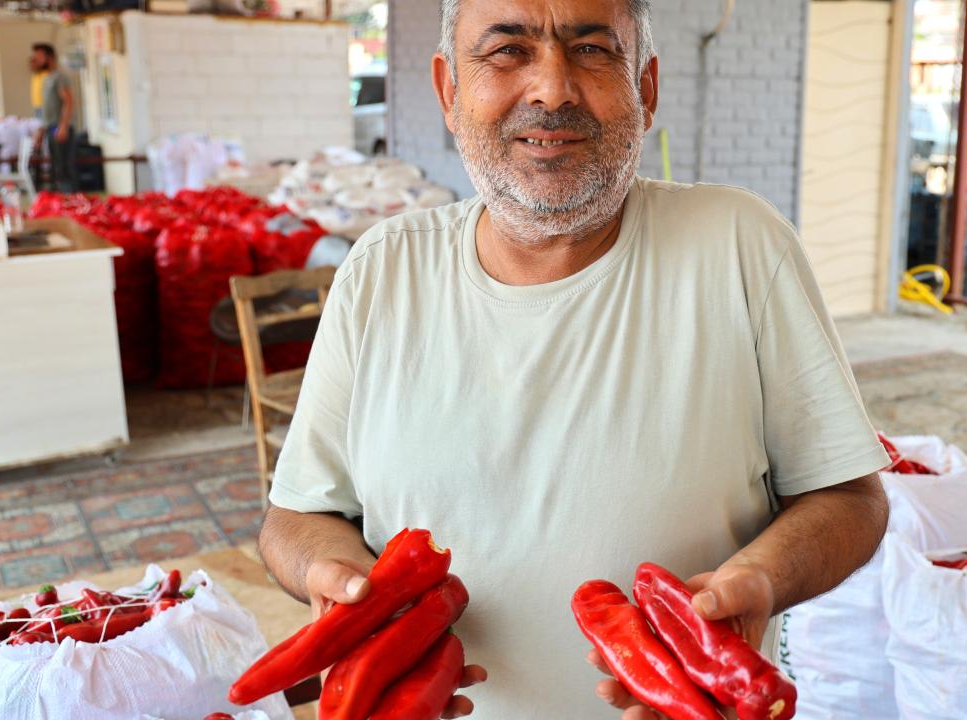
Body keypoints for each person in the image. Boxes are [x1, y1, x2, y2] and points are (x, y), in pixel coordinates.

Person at [259, 0, 891, 717]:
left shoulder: (740, 245)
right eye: (506, 51)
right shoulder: (383, 268)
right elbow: (297, 516)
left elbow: (849, 497)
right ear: (448, 91)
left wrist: (763, 577)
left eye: (592, 50)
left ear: (645, 89)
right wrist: (338, 583)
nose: (552, 90)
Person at [30, 43, 76, 192]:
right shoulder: (46, 78)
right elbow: (47, 110)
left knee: (64, 167)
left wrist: (63, 126)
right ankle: (62, 200)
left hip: (59, 127)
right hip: (50, 127)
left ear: (49, 57)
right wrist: (41, 130)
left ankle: (72, 199)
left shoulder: (59, 77)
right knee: (56, 167)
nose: (35, 60)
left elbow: (68, 102)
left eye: (39, 57)